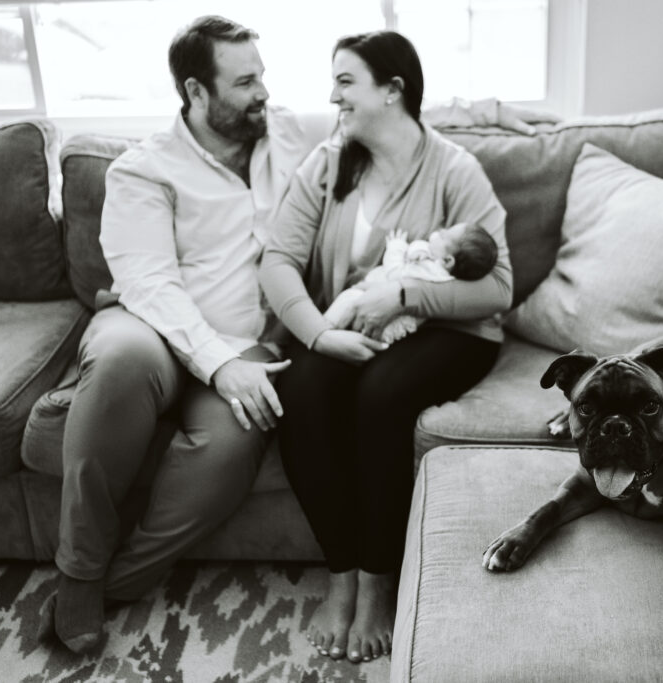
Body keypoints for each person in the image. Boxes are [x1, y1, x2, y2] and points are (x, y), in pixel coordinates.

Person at [44, 15, 544, 655]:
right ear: (197, 93)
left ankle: (124, 579)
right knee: (141, 369)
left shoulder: (296, 135)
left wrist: (495, 108)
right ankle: (81, 571)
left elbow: (406, 114)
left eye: (263, 77)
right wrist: (267, 351)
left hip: (275, 344)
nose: (266, 93)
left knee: (265, 434)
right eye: (246, 80)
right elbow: (175, 282)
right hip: (154, 329)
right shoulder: (148, 170)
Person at [259, 31, 512, 664]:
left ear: (393, 90)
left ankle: (377, 582)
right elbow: (278, 261)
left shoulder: (455, 170)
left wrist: (402, 298)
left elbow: (499, 287)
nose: (332, 94)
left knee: (381, 398)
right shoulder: (329, 162)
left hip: (447, 333)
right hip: (344, 324)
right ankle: (340, 571)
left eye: (345, 80)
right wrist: (317, 333)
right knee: (304, 392)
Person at [323, 222, 498, 343]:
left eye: (444, 235)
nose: (438, 232)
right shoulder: (441, 271)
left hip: (384, 320)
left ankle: (325, 330)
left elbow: (395, 274)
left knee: (348, 300)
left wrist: (396, 246)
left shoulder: (430, 270)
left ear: (448, 261)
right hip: (392, 323)